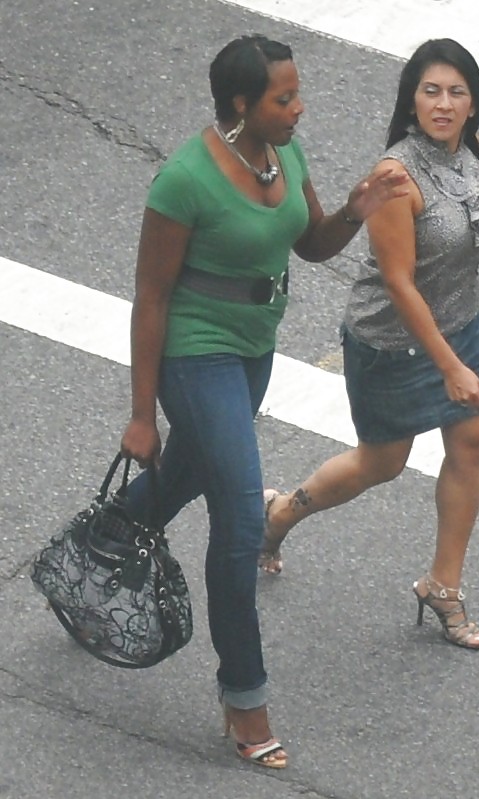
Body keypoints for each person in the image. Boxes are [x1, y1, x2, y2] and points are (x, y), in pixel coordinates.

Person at [119, 34, 408, 769]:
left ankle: (100, 542)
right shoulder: (184, 180)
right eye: (284, 97)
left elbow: (309, 243)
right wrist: (142, 413)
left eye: (296, 93)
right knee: (241, 516)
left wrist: (355, 210)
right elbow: (151, 298)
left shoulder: (284, 154)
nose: (298, 107)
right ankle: (243, 697)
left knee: (190, 475)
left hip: (251, 351)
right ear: (240, 103)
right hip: (195, 352)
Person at [259, 38, 479, 651]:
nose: (444, 103)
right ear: (411, 99)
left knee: (473, 439)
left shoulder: (471, 150)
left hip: (461, 321)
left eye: (457, 92)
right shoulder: (395, 177)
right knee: (382, 463)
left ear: (474, 105)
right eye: (431, 90)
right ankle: (279, 514)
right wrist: (451, 367)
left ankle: (443, 586)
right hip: (392, 342)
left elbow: (467, 229)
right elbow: (401, 285)